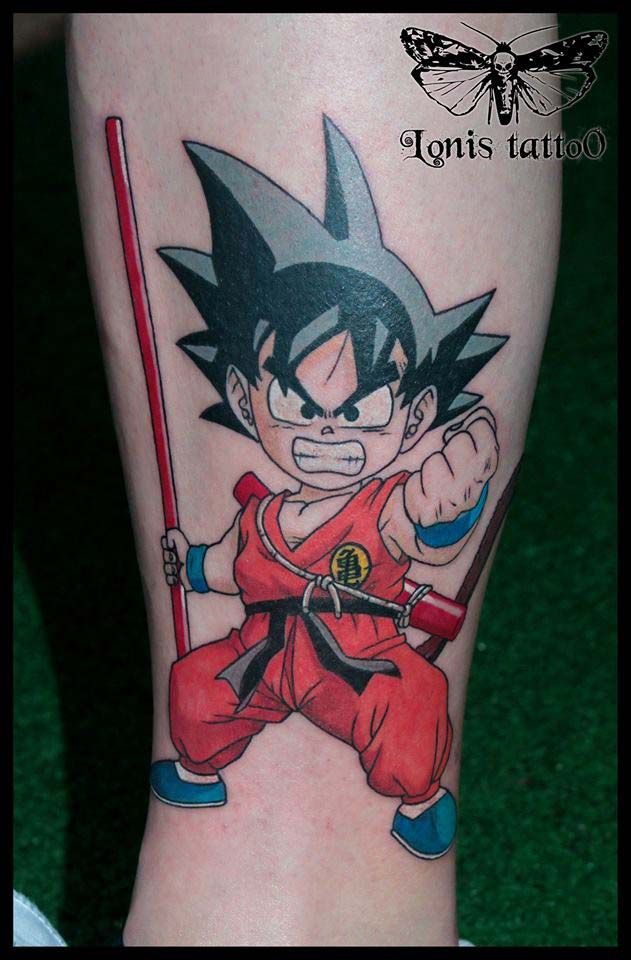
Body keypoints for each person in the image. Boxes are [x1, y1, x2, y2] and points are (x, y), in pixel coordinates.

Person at [67, 13, 560, 946]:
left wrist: (446, 510)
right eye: (298, 407)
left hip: (355, 665)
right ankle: (212, 799)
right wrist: (189, 566)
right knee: (200, 690)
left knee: (408, 709)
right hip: (266, 655)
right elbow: (225, 563)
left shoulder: (384, 502)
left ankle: (340, 892)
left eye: (360, 413)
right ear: (248, 401)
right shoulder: (260, 514)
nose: (327, 435)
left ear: (411, 418)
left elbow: (419, 526)